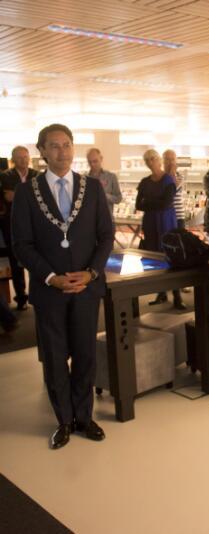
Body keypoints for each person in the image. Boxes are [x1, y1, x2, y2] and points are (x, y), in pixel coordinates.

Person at [11, 123, 114, 449]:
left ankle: (84, 417)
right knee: (55, 359)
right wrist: (51, 277)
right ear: (42, 151)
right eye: (54, 146)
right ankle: (64, 420)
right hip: (49, 290)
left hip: (85, 289)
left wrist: (91, 273)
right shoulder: (27, 193)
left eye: (67, 144)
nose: (62, 151)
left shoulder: (92, 188)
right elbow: (22, 244)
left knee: (85, 355)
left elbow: (106, 236)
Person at [135, 149, 184, 309]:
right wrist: (157, 202)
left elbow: (167, 203)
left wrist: (149, 202)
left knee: (170, 256)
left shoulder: (168, 179)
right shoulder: (145, 181)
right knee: (155, 258)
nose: (150, 162)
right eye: (147, 160)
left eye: (152, 159)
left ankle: (177, 296)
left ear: (158, 160)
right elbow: (138, 204)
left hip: (166, 222)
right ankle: (161, 293)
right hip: (151, 224)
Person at [0, 146, 39, 310]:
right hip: (12, 224)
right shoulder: (5, 176)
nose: (23, 160)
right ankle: (21, 298)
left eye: (25, 157)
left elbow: (39, 197)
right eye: (19, 157)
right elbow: (7, 198)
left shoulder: (36, 175)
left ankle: (38, 295)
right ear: (13, 159)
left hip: (35, 224)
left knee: (37, 259)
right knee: (15, 260)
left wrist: (18, 194)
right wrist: (29, 195)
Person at [85, 147, 122, 217]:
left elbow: (118, 198)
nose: (92, 164)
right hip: (89, 218)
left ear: (101, 159)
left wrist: (105, 196)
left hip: (106, 218)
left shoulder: (111, 177)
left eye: (95, 161)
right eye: (89, 162)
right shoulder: (84, 178)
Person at [163, 149, 186, 229]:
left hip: (178, 216)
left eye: (173, 159)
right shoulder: (159, 177)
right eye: (167, 159)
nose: (171, 162)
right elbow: (165, 191)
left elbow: (172, 189)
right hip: (164, 216)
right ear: (163, 161)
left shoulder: (180, 176)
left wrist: (172, 172)